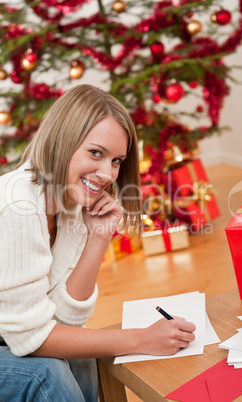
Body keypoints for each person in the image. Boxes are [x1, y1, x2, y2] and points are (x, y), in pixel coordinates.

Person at [0, 84, 196, 401]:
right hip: (10, 341)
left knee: (81, 353)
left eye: (117, 160)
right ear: (62, 141)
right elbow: (31, 338)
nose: (107, 173)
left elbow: (65, 321)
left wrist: (99, 237)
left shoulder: (73, 201)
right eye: (96, 153)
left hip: (10, 337)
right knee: (46, 372)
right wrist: (140, 339)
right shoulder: (17, 208)